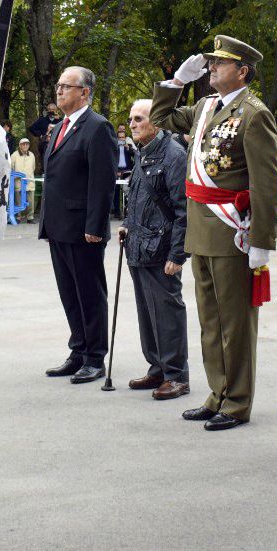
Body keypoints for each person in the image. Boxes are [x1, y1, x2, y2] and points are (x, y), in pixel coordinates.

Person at [151, 36, 277, 432]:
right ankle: (217, 393)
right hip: (201, 228)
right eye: (209, 62)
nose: (211, 69)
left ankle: (238, 401)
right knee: (210, 319)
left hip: (231, 230)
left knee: (235, 322)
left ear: (242, 71)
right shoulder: (206, 107)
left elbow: (267, 181)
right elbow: (161, 118)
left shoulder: (254, 113)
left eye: (220, 63)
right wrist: (174, 82)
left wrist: (262, 240)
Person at [38, 66, 118, 385]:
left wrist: (95, 225)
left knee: (89, 293)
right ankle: (79, 350)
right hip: (58, 225)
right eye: (58, 86)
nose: (59, 91)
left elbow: (102, 181)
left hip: (84, 228)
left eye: (66, 87)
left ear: (84, 92)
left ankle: (95, 357)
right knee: (69, 293)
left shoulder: (98, 127)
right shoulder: (60, 127)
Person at [117, 98, 190, 400]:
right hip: (138, 244)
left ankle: (176, 376)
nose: (132, 125)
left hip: (161, 248)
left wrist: (177, 254)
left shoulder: (173, 154)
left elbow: (183, 208)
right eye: (131, 119)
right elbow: (137, 194)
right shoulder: (141, 153)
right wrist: (126, 223)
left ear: (156, 122)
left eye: (138, 119)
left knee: (167, 311)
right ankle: (157, 368)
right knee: (147, 311)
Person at [7, 139, 37, 222]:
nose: (25, 146)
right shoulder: (14, 155)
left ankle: (30, 217)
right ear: (20, 145)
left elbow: (33, 167)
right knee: (18, 201)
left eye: (27, 144)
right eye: (23, 144)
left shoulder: (31, 155)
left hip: (29, 181)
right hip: (18, 182)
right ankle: (18, 217)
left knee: (30, 201)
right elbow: (11, 168)